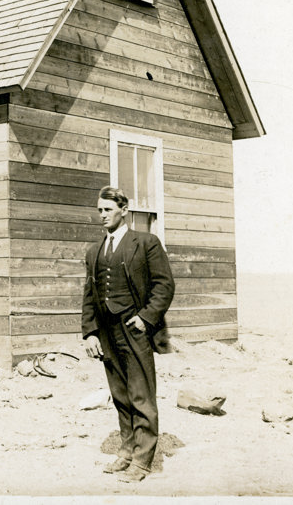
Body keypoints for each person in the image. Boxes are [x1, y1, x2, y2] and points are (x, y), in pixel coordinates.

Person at [81, 186, 175, 483]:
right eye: (99, 210)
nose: (102, 215)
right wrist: (90, 333)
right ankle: (127, 451)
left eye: (108, 209)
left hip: (134, 330)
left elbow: (164, 286)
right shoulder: (94, 251)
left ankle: (143, 461)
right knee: (120, 395)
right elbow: (89, 294)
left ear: (124, 211)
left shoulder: (146, 243)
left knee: (140, 394)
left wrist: (145, 318)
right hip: (106, 333)